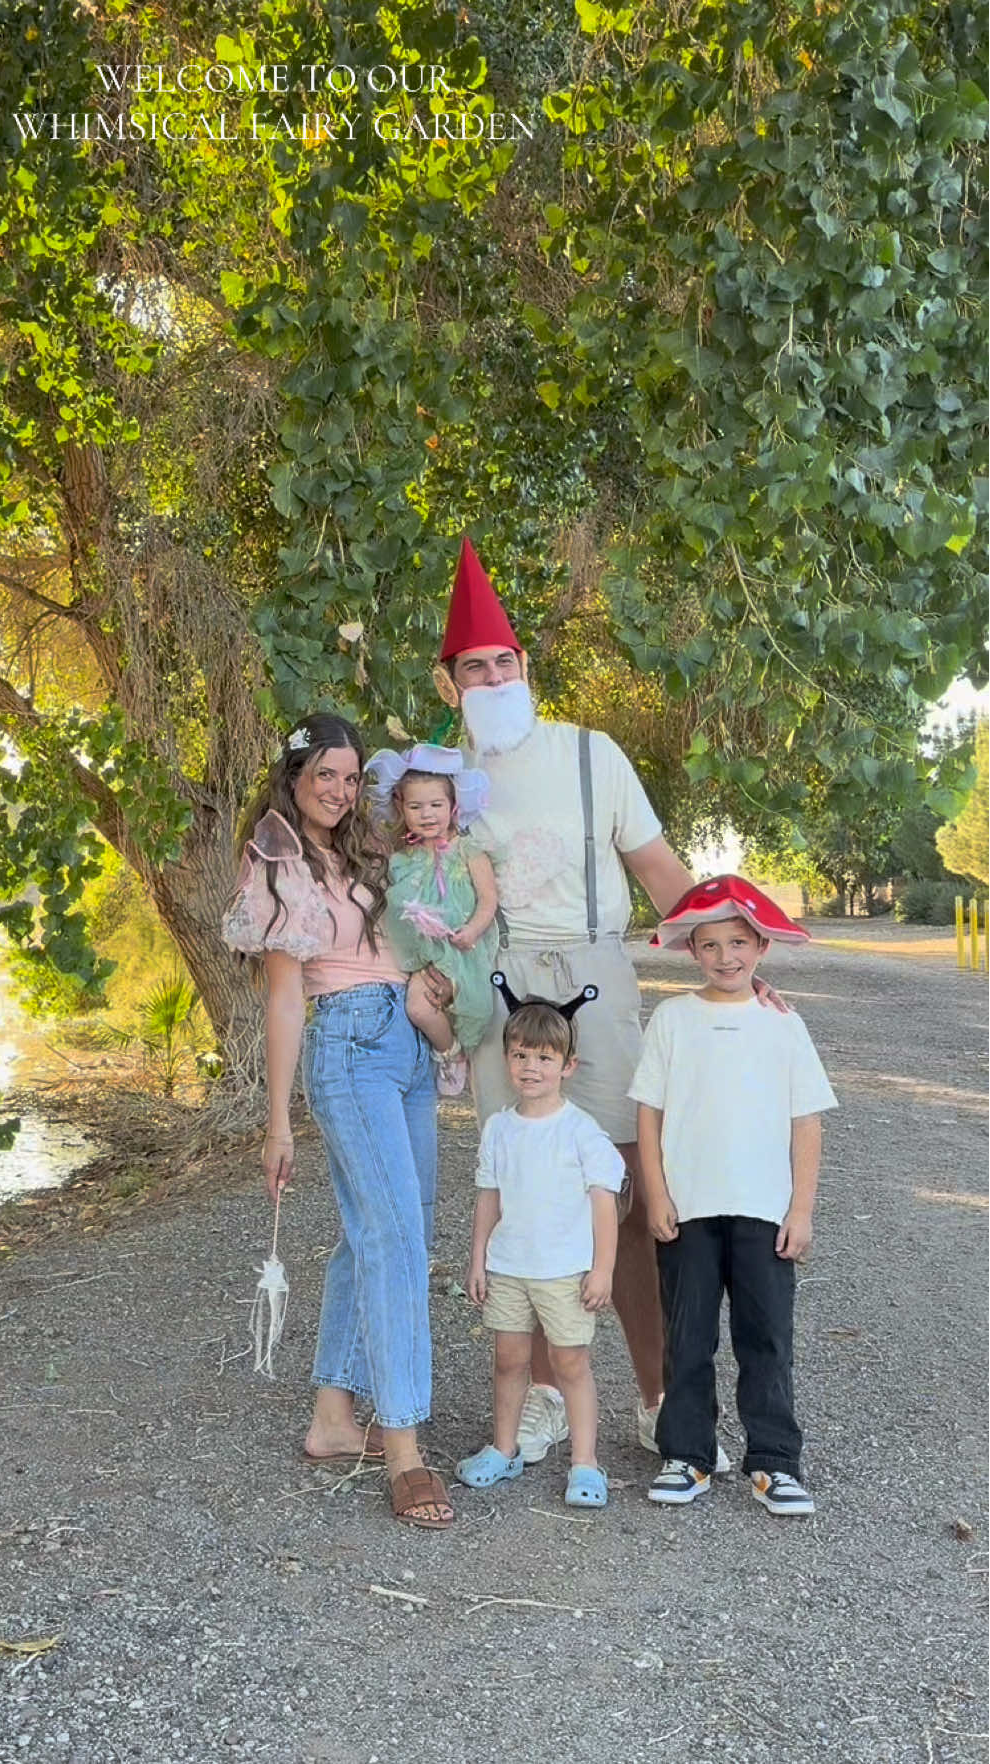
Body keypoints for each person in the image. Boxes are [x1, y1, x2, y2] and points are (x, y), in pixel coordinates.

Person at [425, 535, 717, 1469]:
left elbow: (664, 878)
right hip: (500, 982)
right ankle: (546, 1396)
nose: (494, 674)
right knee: (525, 1186)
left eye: (505, 660)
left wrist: (747, 969)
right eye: (475, 666)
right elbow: (409, 892)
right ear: (451, 685)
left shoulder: (594, 755)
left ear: (526, 667)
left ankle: (659, 1394)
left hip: (595, 973)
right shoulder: (440, 782)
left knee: (625, 1193)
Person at [221, 713, 452, 1529]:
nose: (339, 790)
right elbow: (284, 998)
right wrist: (277, 1122)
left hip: (408, 1044)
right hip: (348, 1044)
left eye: (352, 778)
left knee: (387, 1228)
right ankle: (404, 1450)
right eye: (325, 774)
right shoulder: (276, 858)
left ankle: (330, 1416)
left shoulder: (364, 849)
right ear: (292, 773)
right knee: (393, 1238)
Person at [629, 875, 837, 1515]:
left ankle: (775, 1462)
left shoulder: (782, 1023)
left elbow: (806, 1119)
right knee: (686, 1336)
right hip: (688, 1208)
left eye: (739, 943)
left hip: (764, 1211)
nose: (726, 957)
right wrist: (656, 1193)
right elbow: (650, 1115)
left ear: (761, 947)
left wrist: (800, 1209)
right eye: (712, 945)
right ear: (693, 950)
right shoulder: (672, 1018)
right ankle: (686, 1455)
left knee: (767, 1337)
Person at [458, 988, 623, 1507]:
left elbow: (604, 1206)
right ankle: (504, 1448)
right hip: (509, 1268)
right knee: (508, 1359)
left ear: (567, 1065)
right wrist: (478, 1256)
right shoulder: (499, 1129)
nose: (531, 1067)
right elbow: (489, 1197)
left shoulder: (581, 1133)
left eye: (544, 1058)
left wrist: (603, 1270)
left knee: (570, 1362)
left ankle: (585, 1462)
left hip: (563, 1272)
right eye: (520, 1055)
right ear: (507, 1057)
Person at [363, 742, 499, 1095]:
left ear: (454, 806)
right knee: (419, 1008)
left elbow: (488, 899)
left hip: (463, 952)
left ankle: (464, 1047)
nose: (427, 814)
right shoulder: (402, 858)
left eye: (436, 805)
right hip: (423, 955)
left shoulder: (469, 850)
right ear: (400, 807)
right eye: (416, 806)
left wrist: (472, 930)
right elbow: (395, 911)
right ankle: (450, 1053)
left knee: (476, 1007)